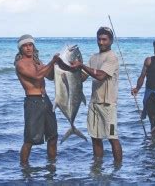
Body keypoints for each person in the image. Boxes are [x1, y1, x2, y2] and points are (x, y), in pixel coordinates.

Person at [70, 26, 122, 163]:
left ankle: (118, 167)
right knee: (95, 137)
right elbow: (81, 77)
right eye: (99, 39)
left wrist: (81, 65)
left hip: (108, 105)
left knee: (112, 138)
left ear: (110, 41)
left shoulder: (112, 58)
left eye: (104, 39)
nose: (101, 42)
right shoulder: (94, 57)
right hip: (94, 104)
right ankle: (97, 167)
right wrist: (66, 68)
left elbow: (100, 75)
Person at [14, 34, 61, 165]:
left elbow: (50, 76)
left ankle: (52, 167)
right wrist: (52, 61)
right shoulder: (20, 64)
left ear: (33, 46)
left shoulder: (38, 62)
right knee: (30, 139)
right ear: (20, 49)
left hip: (45, 100)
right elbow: (36, 76)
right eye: (25, 46)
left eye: (30, 45)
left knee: (53, 136)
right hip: (32, 102)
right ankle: (24, 169)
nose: (28, 48)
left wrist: (58, 64)